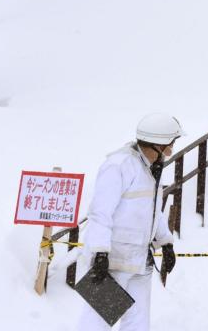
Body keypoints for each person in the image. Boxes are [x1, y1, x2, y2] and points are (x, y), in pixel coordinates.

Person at [77, 113, 182, 331]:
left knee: (138, 322)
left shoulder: (152, 168)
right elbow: (100, 213)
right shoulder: (119, 165)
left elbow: (152, 212)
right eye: (172, 143)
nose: (173, 148)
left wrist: (166, 242)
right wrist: (100, 253)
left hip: (140, 260)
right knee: (97, 321)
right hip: (113, 261)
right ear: (158, 144)